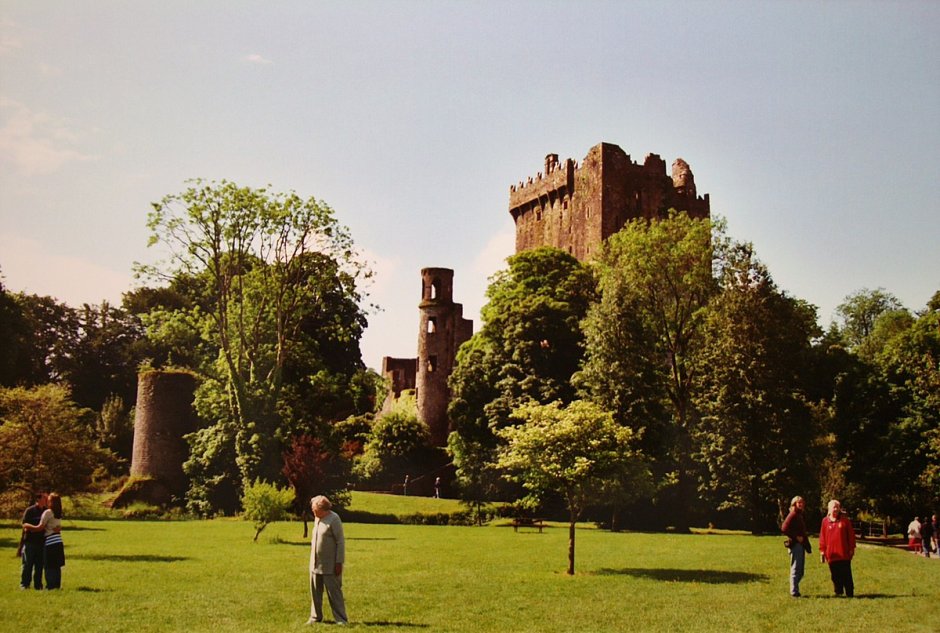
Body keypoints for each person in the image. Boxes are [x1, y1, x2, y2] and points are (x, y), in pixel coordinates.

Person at [307, 495, 348, 626]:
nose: (313, 512)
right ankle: (315, 617)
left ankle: (341, 619)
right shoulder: (317, 518)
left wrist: (339, 562)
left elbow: (340, 542)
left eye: (315, 510)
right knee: (315, 593)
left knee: (334, 593)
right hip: (315, 563)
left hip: (330, 565)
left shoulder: (334, 519)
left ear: (323, 509)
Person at [23, 492, 64, 589]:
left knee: (47, 565)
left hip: (48, 541)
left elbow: (40, 527)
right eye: (44, 498)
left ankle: (47, 585)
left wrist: (28, 526)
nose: (46, 500)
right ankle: (55, 585)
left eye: (48, 499)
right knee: (55, 565)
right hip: (53, 540)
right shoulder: (57, 512)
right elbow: (57, 526)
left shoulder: (48, 511)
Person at [818, 499, 856, 597]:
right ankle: (838, 592)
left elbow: (851, 536)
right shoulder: (825, 521)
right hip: (831, 554)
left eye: (837, 507)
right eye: (833, 507)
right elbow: (822, 537)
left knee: (846, 574)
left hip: (844, 553)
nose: (835, 509)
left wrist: (851, 548)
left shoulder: (845, 521)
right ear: (829, 509)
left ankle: (849, 592)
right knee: (835, 575)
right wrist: (822, 551)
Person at [781, 495, 811, 597]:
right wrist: (796, 537)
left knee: (801, 571)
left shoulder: (799, 515)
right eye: (799, 503)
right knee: (796, 568)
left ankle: (794, 588)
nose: (801, 504)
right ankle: (794, 591)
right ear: (794, 504)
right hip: (795, 545)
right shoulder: (793, 514)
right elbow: (784, 528)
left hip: (800, 545)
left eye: (802, 502)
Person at [18, 491, 47, 590]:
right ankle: (24, 584)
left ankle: (38, 585)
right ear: (38, 499)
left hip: (42, 542)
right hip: (30, 542)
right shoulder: (30, 510)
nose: (46, 500)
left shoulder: (46, 511)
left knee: (39, 566)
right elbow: (25, 525)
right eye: (44, 498)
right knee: (27, 564)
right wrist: (36, 528)